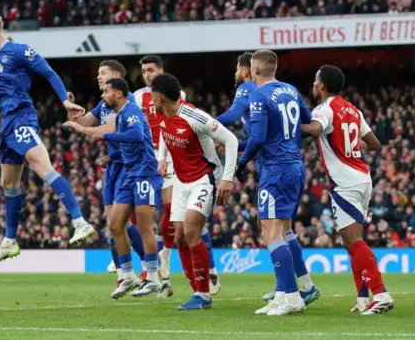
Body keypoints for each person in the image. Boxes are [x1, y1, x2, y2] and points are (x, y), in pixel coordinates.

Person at [0, 14, 94, 263]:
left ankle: (80, 221)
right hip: (8, 124)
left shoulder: (20, 50)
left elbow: (49, 72)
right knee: (9, 184)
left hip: (22, 117)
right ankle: (10, 241)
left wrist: (65, 101)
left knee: (43, 167)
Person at [217, 52, 319, 305]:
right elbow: (306, 123)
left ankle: (288, 294)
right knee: (284, 229)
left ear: (252, 70)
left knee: (270, 231)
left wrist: (241, 161)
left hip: (275, 168)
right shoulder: (291, 89)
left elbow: (259, 138)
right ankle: (302, 287)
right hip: (295, 165)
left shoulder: (257, 95)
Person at [302, 65, 394, 315]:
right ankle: (363, 299)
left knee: (353, 240)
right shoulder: (352, 109)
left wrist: (287, 125)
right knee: (349, 240)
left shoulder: (324, 108)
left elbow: (314, 129)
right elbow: (374, 144)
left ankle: (381, 294)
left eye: (314, 80)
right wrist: (351, 144)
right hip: (363, 178)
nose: (313, 85)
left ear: (322, 85)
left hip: (345, 182)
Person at [134, 55, 220, 297]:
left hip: (173, 153)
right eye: (143, 71)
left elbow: (170, 127)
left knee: (180, 214)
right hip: (148, 158)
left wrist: (164, 156)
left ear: (161, 71)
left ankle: (206, 268)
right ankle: (159, 274)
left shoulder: (174, 95)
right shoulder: (138, 97)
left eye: (151, 70)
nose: (147, 74)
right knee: (158, 215)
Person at [153, 73, 238, 310]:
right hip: (180, 180)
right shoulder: (161, 114)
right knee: (179, 235)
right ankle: (196, 291)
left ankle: (203, 295)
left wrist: (228, 180)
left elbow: (230, 140)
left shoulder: (194, 116)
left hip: (204, 179)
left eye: (152, 94)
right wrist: (162, 158)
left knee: (191, 230)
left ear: (159, 97)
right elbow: (163, 133)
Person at [63, 60, 146, 292]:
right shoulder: (104, 104)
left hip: (128, 166)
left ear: (117, 76)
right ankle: (127, 274)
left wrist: (86, 130)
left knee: (117, 221)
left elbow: (110, 130)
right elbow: (82, 122)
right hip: (113, 167)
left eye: (103, 73)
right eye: (98, 74)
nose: (98, 77)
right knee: (114, 223)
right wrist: (71, 108)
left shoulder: (127, 103)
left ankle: (148, 267)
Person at [87, 78, 163, 299]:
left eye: (106, 91)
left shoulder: (131, 111)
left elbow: (137, 135)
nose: (103, 96)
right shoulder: (120, 115)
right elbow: (131, 144)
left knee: (144, 226)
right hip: (129, 174)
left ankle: (153, 278)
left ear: (118, 93)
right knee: (115, 224)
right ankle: (128, 275)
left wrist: (105, 135)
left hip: (145, 173)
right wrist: (111, 156)